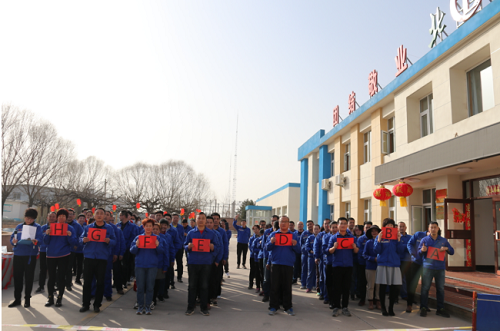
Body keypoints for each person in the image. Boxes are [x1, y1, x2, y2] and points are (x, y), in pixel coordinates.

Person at [79, 208, 117, 313]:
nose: (99, 215)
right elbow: (80, 239)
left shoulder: (109, 228)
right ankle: (85, 304)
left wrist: (109, 241)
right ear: (94, 216)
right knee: (87, 282)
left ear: (105, 215)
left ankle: (97, 305)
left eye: (101, 214)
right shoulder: (88, 228)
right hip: (89, 257)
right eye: (97, 213)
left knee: (100, 282)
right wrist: (83, 240)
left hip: (102, 258)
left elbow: (114, 241)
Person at [185, 213, 220, 316]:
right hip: (193, 263)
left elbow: (217, 247)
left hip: (206, 263)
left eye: (202, 218)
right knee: (192, 286)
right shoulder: (191, 233)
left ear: (205, 221)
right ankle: (190, 307)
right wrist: (188, 246)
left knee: (204, 286)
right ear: (196, 220)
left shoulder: (211, 234)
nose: (201, 220)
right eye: (199, 218)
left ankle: (204, 308)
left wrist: (212, 247)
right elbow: (185, 246)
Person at [8, 208, 44, 308]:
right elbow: (12, 238)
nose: (29, 221)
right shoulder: (19, 226)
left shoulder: (37, 227)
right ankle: (17, 299)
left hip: (30, 255)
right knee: (17, 277)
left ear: (34, 219)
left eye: (31, 219)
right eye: (27, 218)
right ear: (24, 217)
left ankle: (27, 299)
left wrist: (36, 240)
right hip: (18, 254)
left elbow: (41, 239)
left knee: (29, 278)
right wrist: (13, 241)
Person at [418, 221, 454, 318]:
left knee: (440, 289)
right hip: (427, 268)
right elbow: (418, 253)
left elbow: (452, 251)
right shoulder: (424, 240)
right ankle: (423, 307)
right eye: (431, 227)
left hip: (440, 268)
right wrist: (422, 250)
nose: (433, 229)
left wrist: (446, 248)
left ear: (438, 228)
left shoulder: (443, 240)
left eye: (435, 227)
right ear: (429, 229)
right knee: (425, 288)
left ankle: (440, 309)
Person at [266, 216, 301, 316]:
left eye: (286, 222)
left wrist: (295, 244)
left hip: (288, 264)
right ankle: (273, 306)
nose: (284, 224)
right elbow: (267, 247)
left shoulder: (293, 235)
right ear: (279, 223)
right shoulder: (274, 234)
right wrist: (271, 242)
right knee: (274, 287)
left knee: (287, 287)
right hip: (276, 263)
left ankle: (288, 307)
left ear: (288, 223)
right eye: (282, 222)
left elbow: (298, 250)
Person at [43, 208, 77, 307]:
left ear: (66, 218)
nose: (61, 218)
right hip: (51, 255)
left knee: (61, 277)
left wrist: (69, 236)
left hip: (64, 255)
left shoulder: (70, 228)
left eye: (64, 216)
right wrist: (47, 234)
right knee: (51, 278)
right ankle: (50, 298)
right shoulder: (51, 226)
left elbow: (74, 243)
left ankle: (59, 298)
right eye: (60, 216)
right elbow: (45, 242)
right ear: (57, 217)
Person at [130, 218, 164, 315]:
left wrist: (158, 246)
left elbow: (161, 251)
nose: (148, 228)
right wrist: (136, 245)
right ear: (143, 227)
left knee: (150, 287)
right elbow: (132, 251)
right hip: (140, 265)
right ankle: (140, 306)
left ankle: (148, 306)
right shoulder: (138, 237)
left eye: (150, 226)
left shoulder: (157, 238)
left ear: (153, 227)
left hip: (152, 266)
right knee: (140, 287)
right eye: (146, 226)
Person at [374, 218, 406, 316]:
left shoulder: (397, 237)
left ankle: (391, 308)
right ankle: (383, 308)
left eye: (391, 225)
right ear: (384, 226)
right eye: (387, 225)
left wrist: (399, 240)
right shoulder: (380, 236)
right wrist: (379, 240)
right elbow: (376, 250)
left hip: (394, 264)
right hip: (383, 264)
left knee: (394, 288)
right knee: (382, 287)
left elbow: (401, 251)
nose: (390, 227)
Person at [327, 217, 359, 317]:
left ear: (347, 225)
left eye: (345, 223)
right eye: (341, 223)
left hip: (348, 266)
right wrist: (334, 247)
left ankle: (345, 307)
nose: (343, 225)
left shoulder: (352, 237)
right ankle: (336, 307)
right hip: (337, 266)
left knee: (346, 288)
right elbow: (328, 251)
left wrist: (355, 247)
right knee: (337, 288)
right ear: (338, 225)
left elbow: (357, 252)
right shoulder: (334, 237)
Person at [406, 228, 429, 313]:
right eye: (431, 228)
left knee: (426, 285)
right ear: (429, 229)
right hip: (416, 263)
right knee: (413, 284)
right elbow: (409, 244)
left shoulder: (435, 239)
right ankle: (409, 304)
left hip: (426, 265)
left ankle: (424, 305)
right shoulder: (418, 234)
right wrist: (413, 253)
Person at [36, 212, 57, 294]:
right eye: (50, 216)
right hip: (43, 250)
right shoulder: (42, 227)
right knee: (42, 269)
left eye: (53, 217)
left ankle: (53, 286)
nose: (51, 218)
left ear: (56, 218)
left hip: (53, 252)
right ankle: (41, 286)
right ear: (47, 218)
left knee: (52, 270)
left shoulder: (58, 227)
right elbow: (40, 238)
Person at [117, 210, 138, 288]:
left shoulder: (132, 226)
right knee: (118, 267)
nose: (119, 217)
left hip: (127, 249)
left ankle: (125, 280)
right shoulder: (117, 225)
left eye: (121, 215)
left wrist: (125, 247)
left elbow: (133, 238)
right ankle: (117, 281)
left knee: (126, 266)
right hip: (118, 248)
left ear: (125, 216)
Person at [64, 208, 84, 292]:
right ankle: (59, 283)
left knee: (69, 267)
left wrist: (77, 244)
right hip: (62, 249)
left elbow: (81, 236)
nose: (69, 216)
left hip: (72, 249)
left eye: (71, 214)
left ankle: (68, 284)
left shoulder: (77, 226)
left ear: (74, 215)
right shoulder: (61, 224)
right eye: (68, 214)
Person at [363, 225, 381, 310]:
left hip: (380, 267)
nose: (374, 232)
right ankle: (370, 301)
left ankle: (378, 301)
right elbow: (364, 255)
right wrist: (373, 258)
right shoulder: (368, 242)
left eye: (376, 231)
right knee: (371, 286)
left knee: (378, 286)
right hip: (370, 267)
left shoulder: (382, 241)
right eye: (372, 231)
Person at [261, 216, 279, 302]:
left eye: (275, 221)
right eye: (272, 221)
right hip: (267, 257)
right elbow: (264, 245)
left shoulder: (281, 233)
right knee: (266, 277)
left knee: (275, 278)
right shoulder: (267, 232)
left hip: (276, 258)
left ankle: (275, 296)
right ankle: (266, 294)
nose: (273, 222)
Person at [211, 213, 228, 300]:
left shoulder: (222, 232)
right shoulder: (207, 230)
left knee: (218, 277)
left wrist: (224, 257)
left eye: (217, 219)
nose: (216, 220)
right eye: (214, 218)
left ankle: (217, 293)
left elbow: (225, 245)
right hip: (209, 258)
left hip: (219, 258)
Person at [356, 221, 372, 306]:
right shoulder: (361, 239)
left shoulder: (374, 238)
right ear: (364, 229)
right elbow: (360, 252)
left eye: (370, 227)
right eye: (366, 228)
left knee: (372, 283)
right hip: (362, 264)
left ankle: (372, 300)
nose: (368, 229)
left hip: (372, 264)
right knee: (362, 282)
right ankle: (362, 299)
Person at [314, 219, 329, 302]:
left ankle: (328, 294)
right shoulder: (320, 235)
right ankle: (322, 293)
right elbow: (316, 246)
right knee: (322, 277)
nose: (326, 225)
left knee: (328, 278)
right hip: (321, 259)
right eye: (325, 224)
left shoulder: (332, 235)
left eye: (328, 224)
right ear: (323, 225)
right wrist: (316, 257)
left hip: (330, 259)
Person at [323, 221, 338, 309]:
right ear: (329, 228)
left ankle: (336, 300)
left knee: (337, 283)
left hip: (338, 263)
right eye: (333, 227)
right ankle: (330, 300)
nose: (334, 229)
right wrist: (333, 247)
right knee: (329, 282)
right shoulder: (326, 236)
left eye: (336, 227)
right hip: (329, 262)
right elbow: (325, 250)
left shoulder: (341, 236)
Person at [398, 222, 411, 303]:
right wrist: (406, 246)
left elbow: (411, 247)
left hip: (408, 261)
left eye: (403, 226)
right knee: (400, 279)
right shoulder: (396, 237)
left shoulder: (410, 237)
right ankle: (402, 294)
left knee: (407, 278)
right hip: (398, 260)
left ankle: (406, 295)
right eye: (400, 226)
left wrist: (403, 246)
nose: (402, 228)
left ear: (406, 227)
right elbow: (398, 248)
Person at [170, 213, 186, 283]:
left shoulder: (181, 227)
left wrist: (180, 245)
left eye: (177, 218)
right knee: (171, 263)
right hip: (171, 248)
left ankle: (179, 277)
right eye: (174, 218)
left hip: (179, 247)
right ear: (172, 219)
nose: (175, 219)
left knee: (179, 262)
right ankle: (171, 279)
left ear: (178, 219)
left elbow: (182, 237)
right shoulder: (169, 227)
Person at [299, 220, 314, 290]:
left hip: (313, 255)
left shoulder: (315, 233)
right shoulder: (304, 233)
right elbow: (300, 243)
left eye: (311, 224)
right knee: (304, 269)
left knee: (312, 270)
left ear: (313, 224)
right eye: (308, 225)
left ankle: (313, 284)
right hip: (305, 254)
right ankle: (303, 283)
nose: (309, 226)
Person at [305, 224, 320, 293]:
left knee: (319, 273)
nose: (316, 230)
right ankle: (309, 287)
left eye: (317, 229)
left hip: (319, 258)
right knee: (310, 272)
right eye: (315, 229)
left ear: (319, 229)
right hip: (311, 257)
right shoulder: (310, 237)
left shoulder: (322, 237)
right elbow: (307, 246)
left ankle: (318, 287)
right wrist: (311, 251)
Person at [351, 224, 364, 300]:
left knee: (360, 278)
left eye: (359, 230)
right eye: (356, 230)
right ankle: (352, 293)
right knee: (353, 277)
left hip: (362, 260)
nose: (358, 231)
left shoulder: (365, 238)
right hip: (354, 260)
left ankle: (359, 292)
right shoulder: (352, 238)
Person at [74, 213, 87, 285]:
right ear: (78, 219)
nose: (81, 219)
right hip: (73, 248)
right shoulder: (75, 226)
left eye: (83, 218)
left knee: (80, 265)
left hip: (81, 249)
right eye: (80, 218)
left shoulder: (85, 227)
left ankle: (77, 278)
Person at [248, 225, 261, 291]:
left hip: (259, 258)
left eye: (256, 229)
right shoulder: (251, 238)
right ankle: (250, 284)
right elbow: (251, 248)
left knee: (258, 271)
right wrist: (259, 251)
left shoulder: (261, 237)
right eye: (254, 229)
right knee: (252, 270)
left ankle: (258, 286)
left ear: (259, 229)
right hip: (253, 256)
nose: (255, 230)